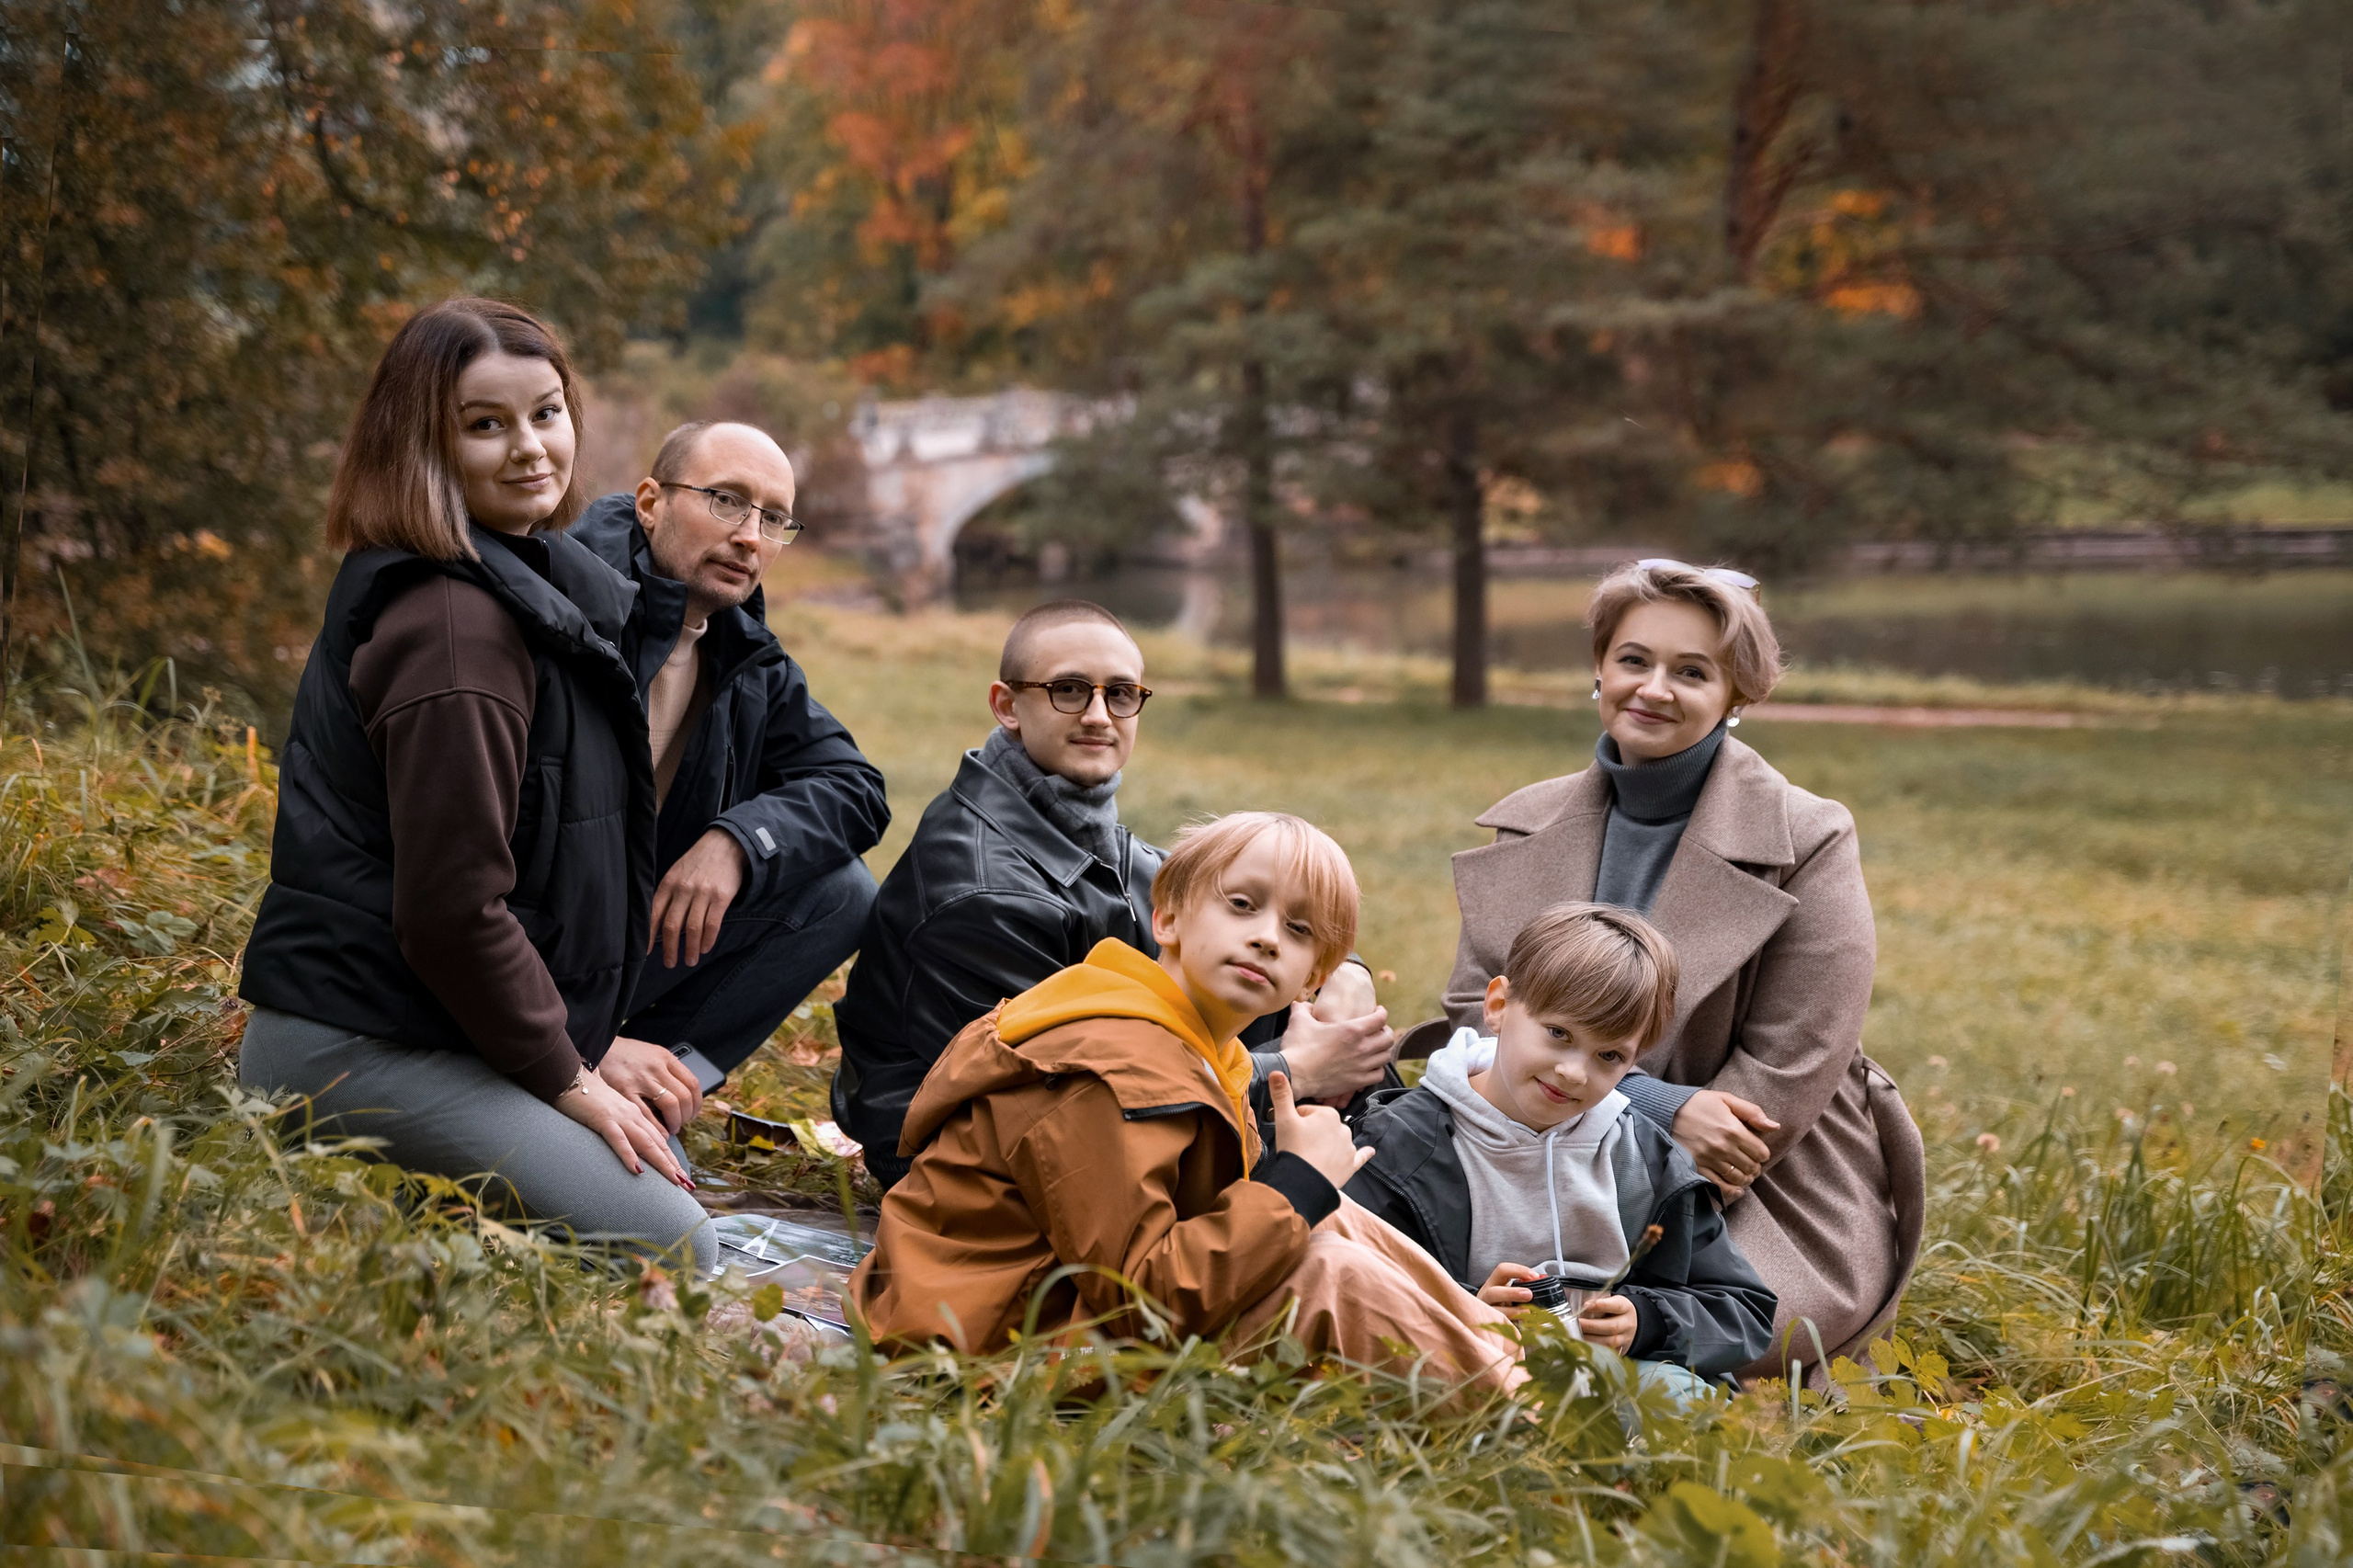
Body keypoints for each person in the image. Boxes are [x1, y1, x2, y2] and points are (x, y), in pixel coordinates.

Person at [237, 298, 715, 1270]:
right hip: (356, 1043)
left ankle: (442, 1205)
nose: (529, 448)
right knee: (677, 1251)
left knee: (646, 1185)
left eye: (546, 412)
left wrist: (577, 1053)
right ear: (423, 444)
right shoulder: (455, 631)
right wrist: (567, 1076)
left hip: (435, 1022)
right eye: (483, 424)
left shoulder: (524, 581)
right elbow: (453, 910)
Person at [1438, 560, 1925, 1381]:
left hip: (1750, 1184)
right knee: (1447, 1300)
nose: (1653, 689)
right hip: (1527, 1146)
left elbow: (1795, 1057)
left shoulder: (1809, 835)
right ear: (1599, 668)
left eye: (1691, 672)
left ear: (1736, 694)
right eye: (1634, 660)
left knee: (1696, 1334)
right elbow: (1469, 1009)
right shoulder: (1526, 822)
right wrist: (1650, 1098)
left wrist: (1667, 1148)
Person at [847, 812, 1524, 1400]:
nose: (1266, 937)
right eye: (1241, 905)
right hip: (983, 1348)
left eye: (1297, 930)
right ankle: (1534, 1430)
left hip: (1059, 1308)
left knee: (1330, 1219)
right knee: (1324, 1268)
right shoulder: (1111, 1068)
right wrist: (1296, 1185)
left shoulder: (1194, 1048)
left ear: (1314, 978)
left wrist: (1304, 1193)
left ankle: (1514, 1359)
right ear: (1166, 917)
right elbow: (1144, 1303)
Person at [832, 600, 1396, 1190]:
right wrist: (1293, 1070)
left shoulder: (1071, 820)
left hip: (1089, 1111)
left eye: (1121, 694)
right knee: (1341, 1165)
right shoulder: (986, 892)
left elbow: (1237, 899)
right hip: (966, 1163)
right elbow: (1068, 1092)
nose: (1100, 716)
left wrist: (1343, 978)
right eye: (1070, 690)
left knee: (1319, 1032)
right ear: (1007, 705)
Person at [568, 422, 890, 1131]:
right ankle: (587, 1064)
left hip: (619, 939)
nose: (750, 535)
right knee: (656, 1233)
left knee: (841, 895)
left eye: (774, 518)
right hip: (522, 953)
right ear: (651, 502)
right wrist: (577, 1043)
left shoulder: (743, 652)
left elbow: (856, 789)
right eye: (725, 501)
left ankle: (662, 1089)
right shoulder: (565, 615)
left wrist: (739, 841)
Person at [1347, 902, 1777, 1397]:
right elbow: (1355, 1283)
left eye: (1609, 1055)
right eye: (1559, 1034)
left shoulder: (1641, 1154)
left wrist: (1647, 1321)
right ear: (1498, 1007)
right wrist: (1469, 1310)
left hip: (1622, 1379)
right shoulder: (1401, 1142)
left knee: (1678, 1398)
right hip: (1463, 1377)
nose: (1574, 1072)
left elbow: (1743, 1307)